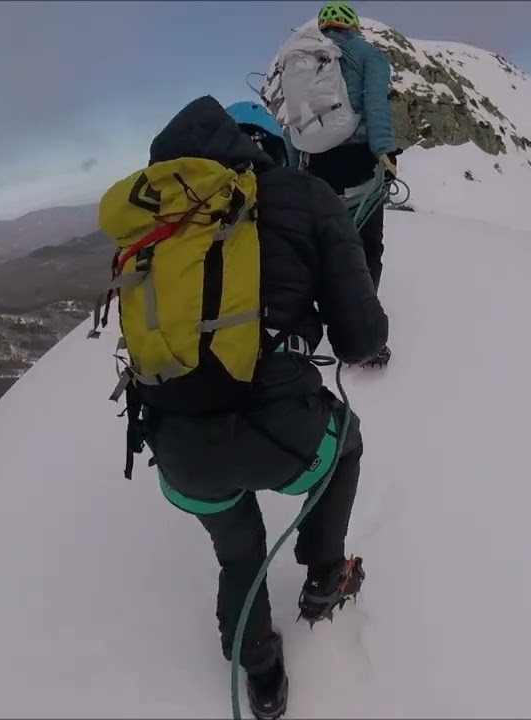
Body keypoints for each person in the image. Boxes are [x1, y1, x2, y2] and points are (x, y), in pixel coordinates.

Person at [138, 95, 388, 720]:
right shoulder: (306, 198)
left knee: (238, 548)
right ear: (269, 150)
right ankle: (325, 577)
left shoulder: (158, 219)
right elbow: (363, 337)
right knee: (345, 444)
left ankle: (261, 672)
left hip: (178, 446)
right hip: (283, 430)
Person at [298, 1, 398, 367]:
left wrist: (296, 169)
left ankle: (305, 328)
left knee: (322, 242)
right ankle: (363, 339)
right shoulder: (368, 55)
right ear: (353, 26)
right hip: (358, 162)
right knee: (367, 246)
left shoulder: (305, 61)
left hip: (318, 162)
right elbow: (375, 104)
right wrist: (385, 151)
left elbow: (295, 120)